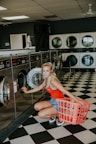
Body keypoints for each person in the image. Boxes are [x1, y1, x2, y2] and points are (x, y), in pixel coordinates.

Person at [21, 62, 82, 126]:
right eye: (43, 71)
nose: (45, 73)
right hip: (53, 100)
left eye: (47, 71)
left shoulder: (53, 81)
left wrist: (78, 101)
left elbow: (65, 91)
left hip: (59, 103)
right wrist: (27, 91)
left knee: (40, 114)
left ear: (51, 71)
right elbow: (40, 87)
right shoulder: (47, 78)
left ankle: (61, 114)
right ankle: (53, 114)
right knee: (36, 107)